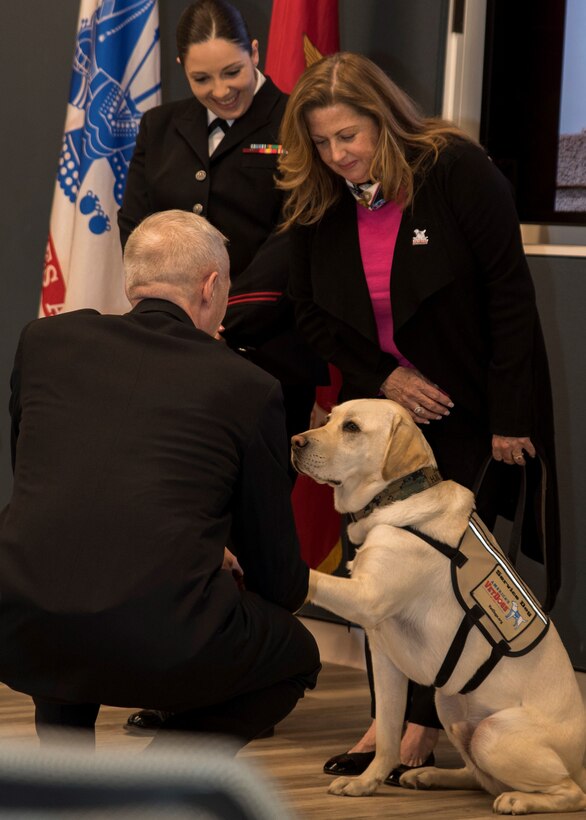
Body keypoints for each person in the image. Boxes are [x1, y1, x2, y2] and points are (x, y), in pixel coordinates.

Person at [277, 52, 559, 786]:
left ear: (384, 118)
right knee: (382, 568)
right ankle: (389, 722)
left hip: (476, 407)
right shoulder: (320, 198)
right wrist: (387, 380)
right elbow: (310, 313)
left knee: (444, 579)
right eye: (323, 142)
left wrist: (509, 416)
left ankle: (426, 728)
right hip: (382, 409)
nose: (339, 156)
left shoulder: (456, 170)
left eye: (350, 136)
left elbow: (509, 296)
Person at [0, 209, 320, 747]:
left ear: (131, 282)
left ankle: (67, 780)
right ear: (211, 286)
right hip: (157, 640)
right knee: (296, 656)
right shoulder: (247, 385)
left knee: (65, 580)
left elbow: (42, 482)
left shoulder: (45, 341)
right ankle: (155, 787)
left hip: (18, 622)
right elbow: (279, 581)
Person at [118, 0, 322, 449]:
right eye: (201, 78)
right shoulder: (160, 125)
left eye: (232, 71)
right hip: (171, 347)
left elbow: (296, 231)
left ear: (253, 51)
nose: (221, 90)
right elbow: (137, 224)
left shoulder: (298, 122)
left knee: (254, 503)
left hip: (268, 349)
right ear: (181, 68)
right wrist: (177, 311)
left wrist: (222, 317)